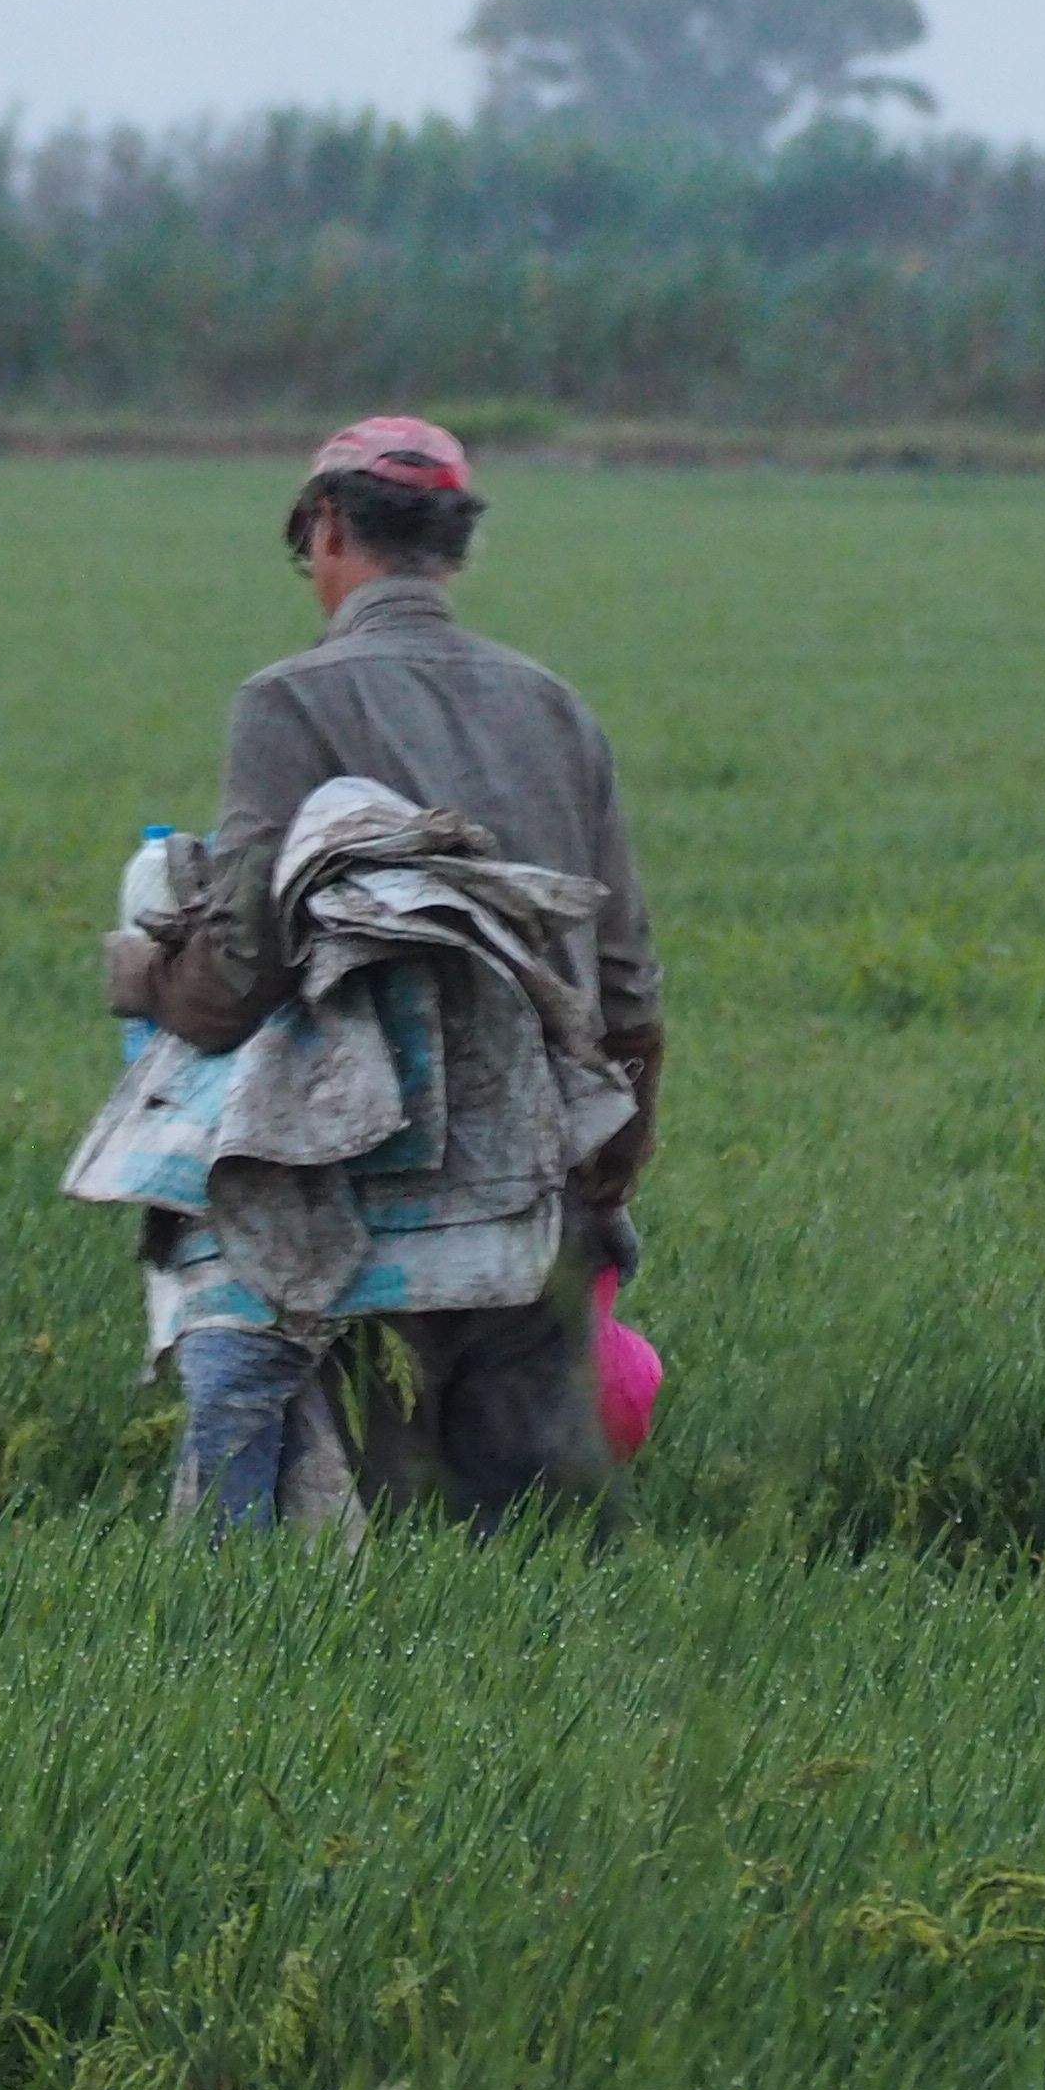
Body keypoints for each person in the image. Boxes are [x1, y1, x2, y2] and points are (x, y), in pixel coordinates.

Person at [107, 414, 664, 1532]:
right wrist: (609, 1163)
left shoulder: (288, 701)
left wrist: (144, 976)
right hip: (531, 1179)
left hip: (345, 1194)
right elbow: (626, 985)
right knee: (529, 1551)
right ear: (452, 547)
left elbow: (240, 970)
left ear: (323, 528)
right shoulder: (556, 708)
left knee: (316, 1531)